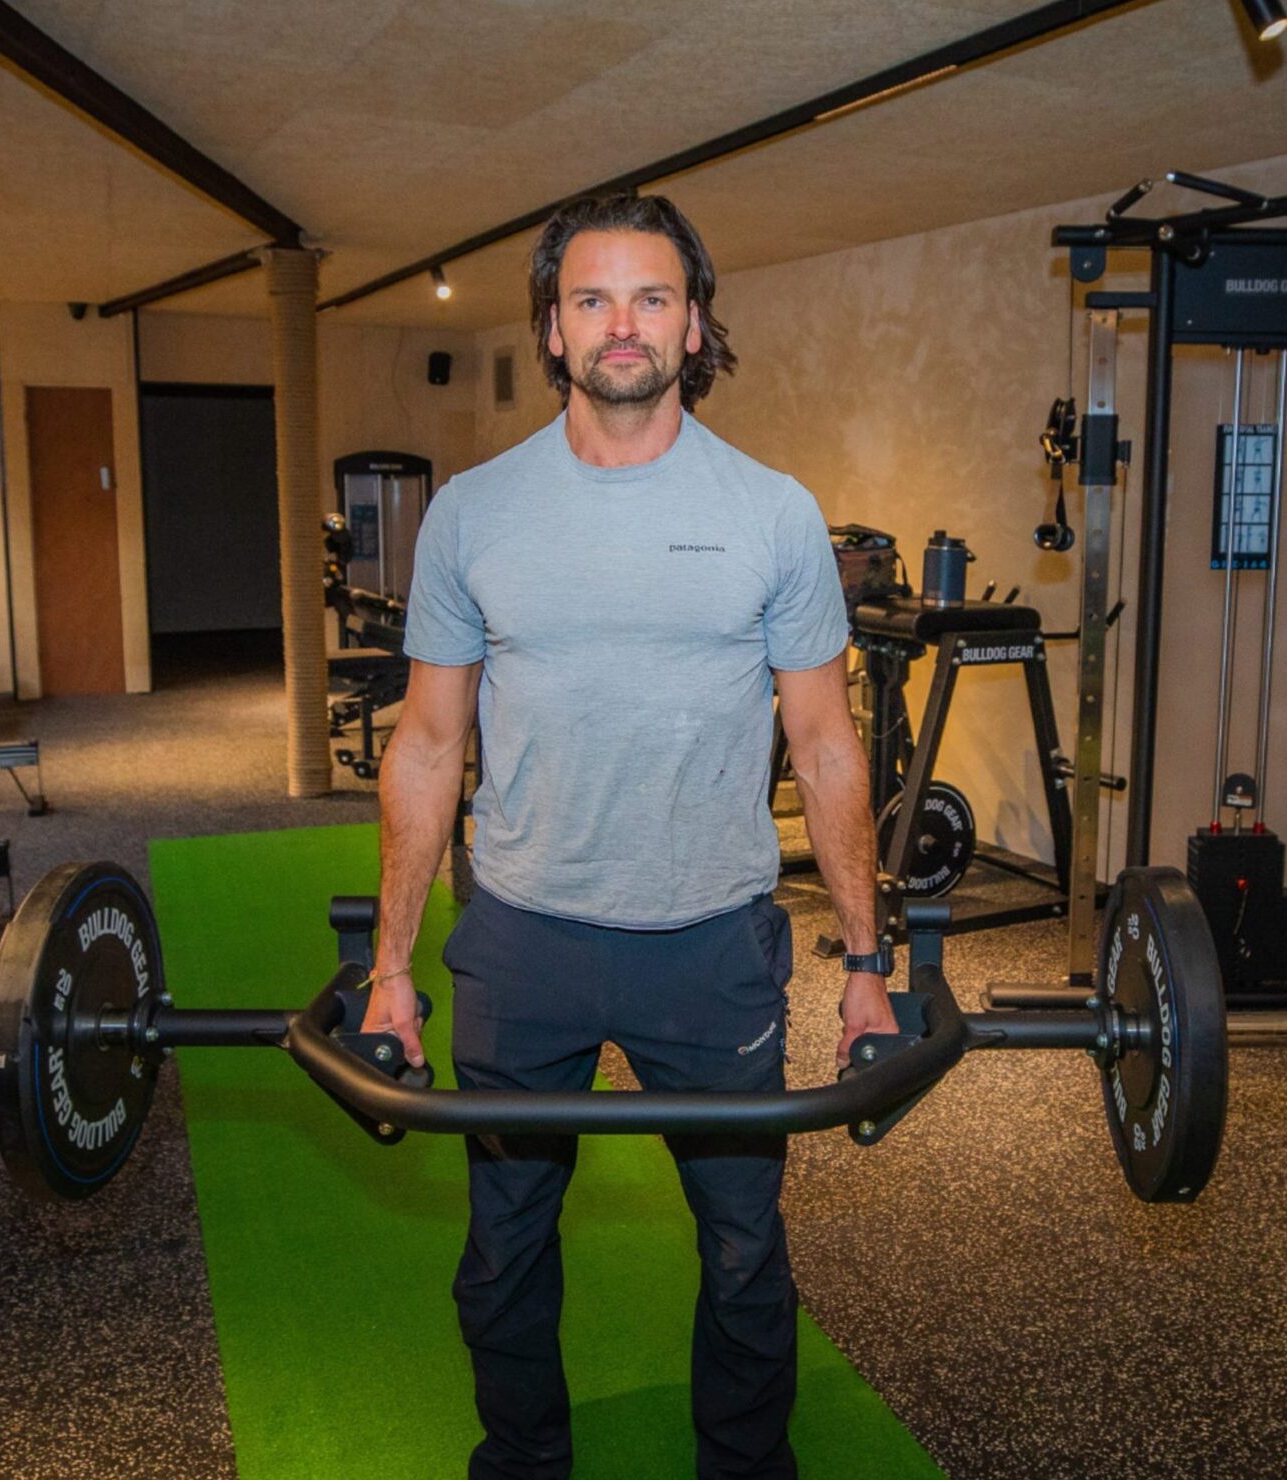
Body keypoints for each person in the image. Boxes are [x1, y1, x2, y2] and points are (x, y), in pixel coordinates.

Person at [365, 193, 895, 1480]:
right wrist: (391, 967)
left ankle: (744, 1464)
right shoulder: (473, 515)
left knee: (744, 1250)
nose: (622, 324)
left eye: (650, 297)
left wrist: (871, 967)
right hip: (523, 936)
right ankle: (524, 1462)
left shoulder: (771, 512)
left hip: (709, 943)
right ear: (552, 329)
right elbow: (429, 745)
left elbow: (825, 743)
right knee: (501, 1246)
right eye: (591, 299)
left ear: (693, 322)